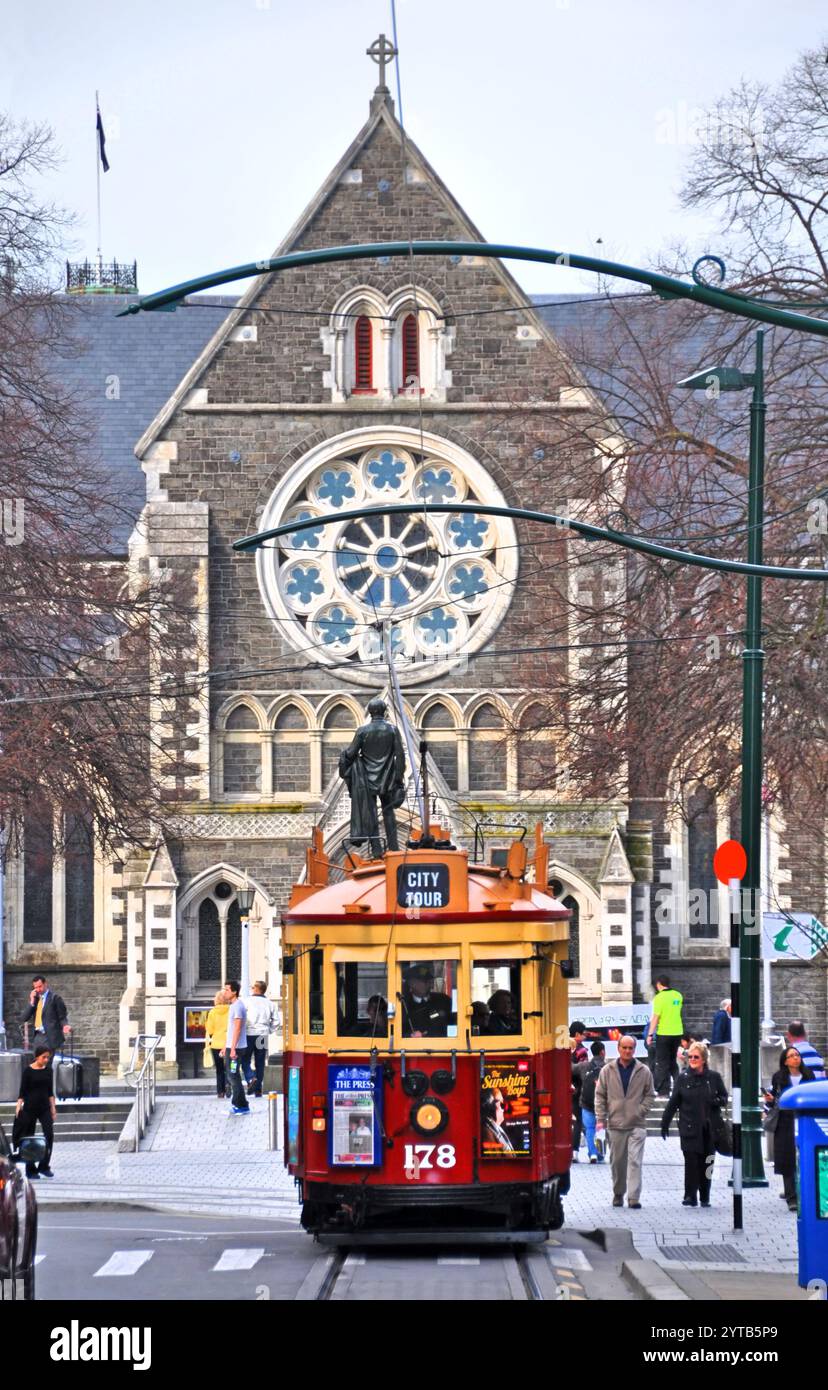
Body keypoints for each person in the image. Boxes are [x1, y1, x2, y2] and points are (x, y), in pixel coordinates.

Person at [660, 1041, 728, 1207]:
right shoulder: (683, 1078)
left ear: (703, 1059)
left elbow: (724, 1098)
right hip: (690, 1127)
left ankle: (705, 1195)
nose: (692, 1059)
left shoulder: (713, 1077)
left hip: (710, 1128)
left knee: (708, 1163)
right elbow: (674, 1101)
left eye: (696, 1057)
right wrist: (665, 1122)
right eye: (690, 1057)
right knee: (691, 1163)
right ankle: (690, 1195)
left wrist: (716, 1100)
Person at [338, 697, 406, 858]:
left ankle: (376, 848)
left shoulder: (362, 731)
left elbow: (351, 753)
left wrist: (343, 757)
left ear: (369, 712)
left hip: (367, 779)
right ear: (385, 712)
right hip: (388, 778)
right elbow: (400, 756)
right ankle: (394, 847)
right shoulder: (392, 730)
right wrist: (398, 777)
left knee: (371, 813)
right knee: (389, 812)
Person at [595, 1034, 655, 1209]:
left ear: (635, 1050)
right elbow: (600, 1095)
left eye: (631, 1048)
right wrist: (600, 1118)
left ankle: (634, 1197)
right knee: (617, 1162)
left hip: (637, 1124)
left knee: (635, 1161)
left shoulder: (644, 1071)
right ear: (618, 1048)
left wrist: (641, 1110)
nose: (627, 1051)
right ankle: (618, 1193)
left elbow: (650, 1094)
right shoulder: (607, 1070)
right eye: (624, 1047)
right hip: (615, 1123)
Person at [764, 1045, 816, 1209]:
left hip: (803, 1119)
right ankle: (791, 1197)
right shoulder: (778, 1077)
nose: (796, 1058)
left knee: (804, 1156)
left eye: (797, 1055)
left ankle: (803, 1192)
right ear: (785, 1062)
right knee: (787, 1159)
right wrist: (770, 1099)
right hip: (785, 1121)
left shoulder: (808, 1075)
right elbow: (774, 1100)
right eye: (792, 1056)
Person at [12, 1043, 57, 1179]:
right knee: (29, 1138)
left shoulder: (48, 1071)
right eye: (44, 1057)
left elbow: (50, 1091)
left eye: (48, 1058)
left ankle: (44, 1166)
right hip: (30, 1108)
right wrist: (18, 1105)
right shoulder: (28, 1071)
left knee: (49, 1134)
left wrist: (53, 1108)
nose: (46, 1060)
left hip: (44, 1108)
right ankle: (30, 1169)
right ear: (37, 1057)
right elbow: (22, 1091)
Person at [647, 975, 684, 1096]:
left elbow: (656, 1017)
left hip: (664, 1033)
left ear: (659, 984)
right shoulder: (678, 995)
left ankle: (663, 1090)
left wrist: (650, 1034)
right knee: (673, 1061)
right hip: (677, 1032)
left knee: (662, 1062)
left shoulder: (659, 997)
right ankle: (679, 1088)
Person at [20, 973, 71, 1052]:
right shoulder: (36, 1000)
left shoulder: (55, 998)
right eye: (36, 988)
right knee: (37, 1062)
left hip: (49, 1036)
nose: (38, 989)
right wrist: (32, 1002)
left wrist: (65, 1025)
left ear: (45, 984)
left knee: (46, 1062)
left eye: (40, 986)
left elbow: (62, 1016)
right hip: (37, 1036)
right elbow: (24, 1018)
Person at [399, 965, 452, 1037]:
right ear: (411, 983)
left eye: (428, 981)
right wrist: (410, 1036)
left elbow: (453, 1023)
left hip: (442, 1045)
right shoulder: (403, 1005)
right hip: (411, 1047)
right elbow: (396, 1032)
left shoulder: (443, 1000)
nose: (427, 984)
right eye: (423, 981)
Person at [244, 981, 277, 1098]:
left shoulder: (246, 1001)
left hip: (249, 1034)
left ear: (257, 989)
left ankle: (250, 1078)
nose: (252, 988)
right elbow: (276, 1021)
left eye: (253, 987)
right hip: (262, 1035)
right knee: (260, 1062)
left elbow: (242, 1018)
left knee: (245, 1059)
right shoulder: (270, 1004)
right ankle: (258, 1089)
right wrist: (269, 1030)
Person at [223, 980, 250, 1114]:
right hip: (231, 1046)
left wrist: (232, 1049)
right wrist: (225, 1046)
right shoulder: (233, 1006)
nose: (225, 992)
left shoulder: (238, 1006)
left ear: (234, 991)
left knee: (233, 1076)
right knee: (233, 1075)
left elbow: (238, 1029)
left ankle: (239, 1105)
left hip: (237, 1048)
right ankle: (242, 1104)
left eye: (227, 990)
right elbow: (231, 1029)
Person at [579, 1041, 606, 1164]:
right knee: (601, 1129)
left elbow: (569, 1068)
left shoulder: (584, 1066)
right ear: (602, 1052)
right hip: (603, 1104)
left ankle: (593, 1154)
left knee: (589, 1129)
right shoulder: (608, 1068)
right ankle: (601, 1152)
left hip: (586, 1103)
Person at [205, 989, 230, 1099]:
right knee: (229, 1068)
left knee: (219, 1070)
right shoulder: (231, 1010)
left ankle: (220, 1092)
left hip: (216, 1044)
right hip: (229, 1043)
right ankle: (229, 1086)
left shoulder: (212, 1012)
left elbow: (210, 1030)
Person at [570, 1022, 588, 1161]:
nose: (585, 1037)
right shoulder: (581, 1050)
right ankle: (574, 1151)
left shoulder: (562, 1047)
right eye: (583, 1034)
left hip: (564, 1088)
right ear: (577, 1034)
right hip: (577, 1089)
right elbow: (584, 1070)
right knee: (578, 1120)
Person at [481, 1088, 514, 1154]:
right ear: (490, 1106)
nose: (504, 1109)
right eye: (502, 1104)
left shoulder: (495, 1129)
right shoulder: (487, 1133)